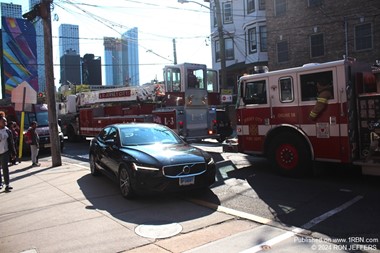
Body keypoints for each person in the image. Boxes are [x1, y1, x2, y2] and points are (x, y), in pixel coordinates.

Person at [0, 116, 16, 191]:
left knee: (5, 168)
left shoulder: (7, 131)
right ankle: (0, 183)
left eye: (5, 121)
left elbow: (11, 142)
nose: (5, 123)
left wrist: (13, 153)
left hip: (5, 152)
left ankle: (7, 184)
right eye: (3, 121)